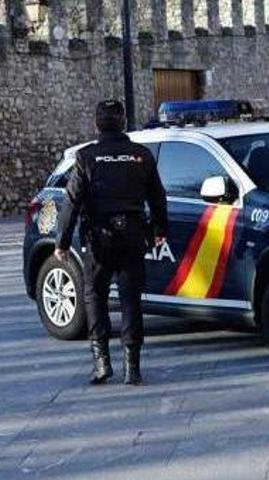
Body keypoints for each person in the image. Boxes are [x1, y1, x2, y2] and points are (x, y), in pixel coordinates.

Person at [55, 100, 168, 386]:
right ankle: (133, 367)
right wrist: (159, 229)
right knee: (130, 298)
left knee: (95, 296)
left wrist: (62, 242)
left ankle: (102, 364)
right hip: (132, 234)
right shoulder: (141, 155)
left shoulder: (85, 157)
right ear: (124, 123)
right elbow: (158, 196)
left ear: (96, 124)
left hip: (99, 237)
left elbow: (71, 202)